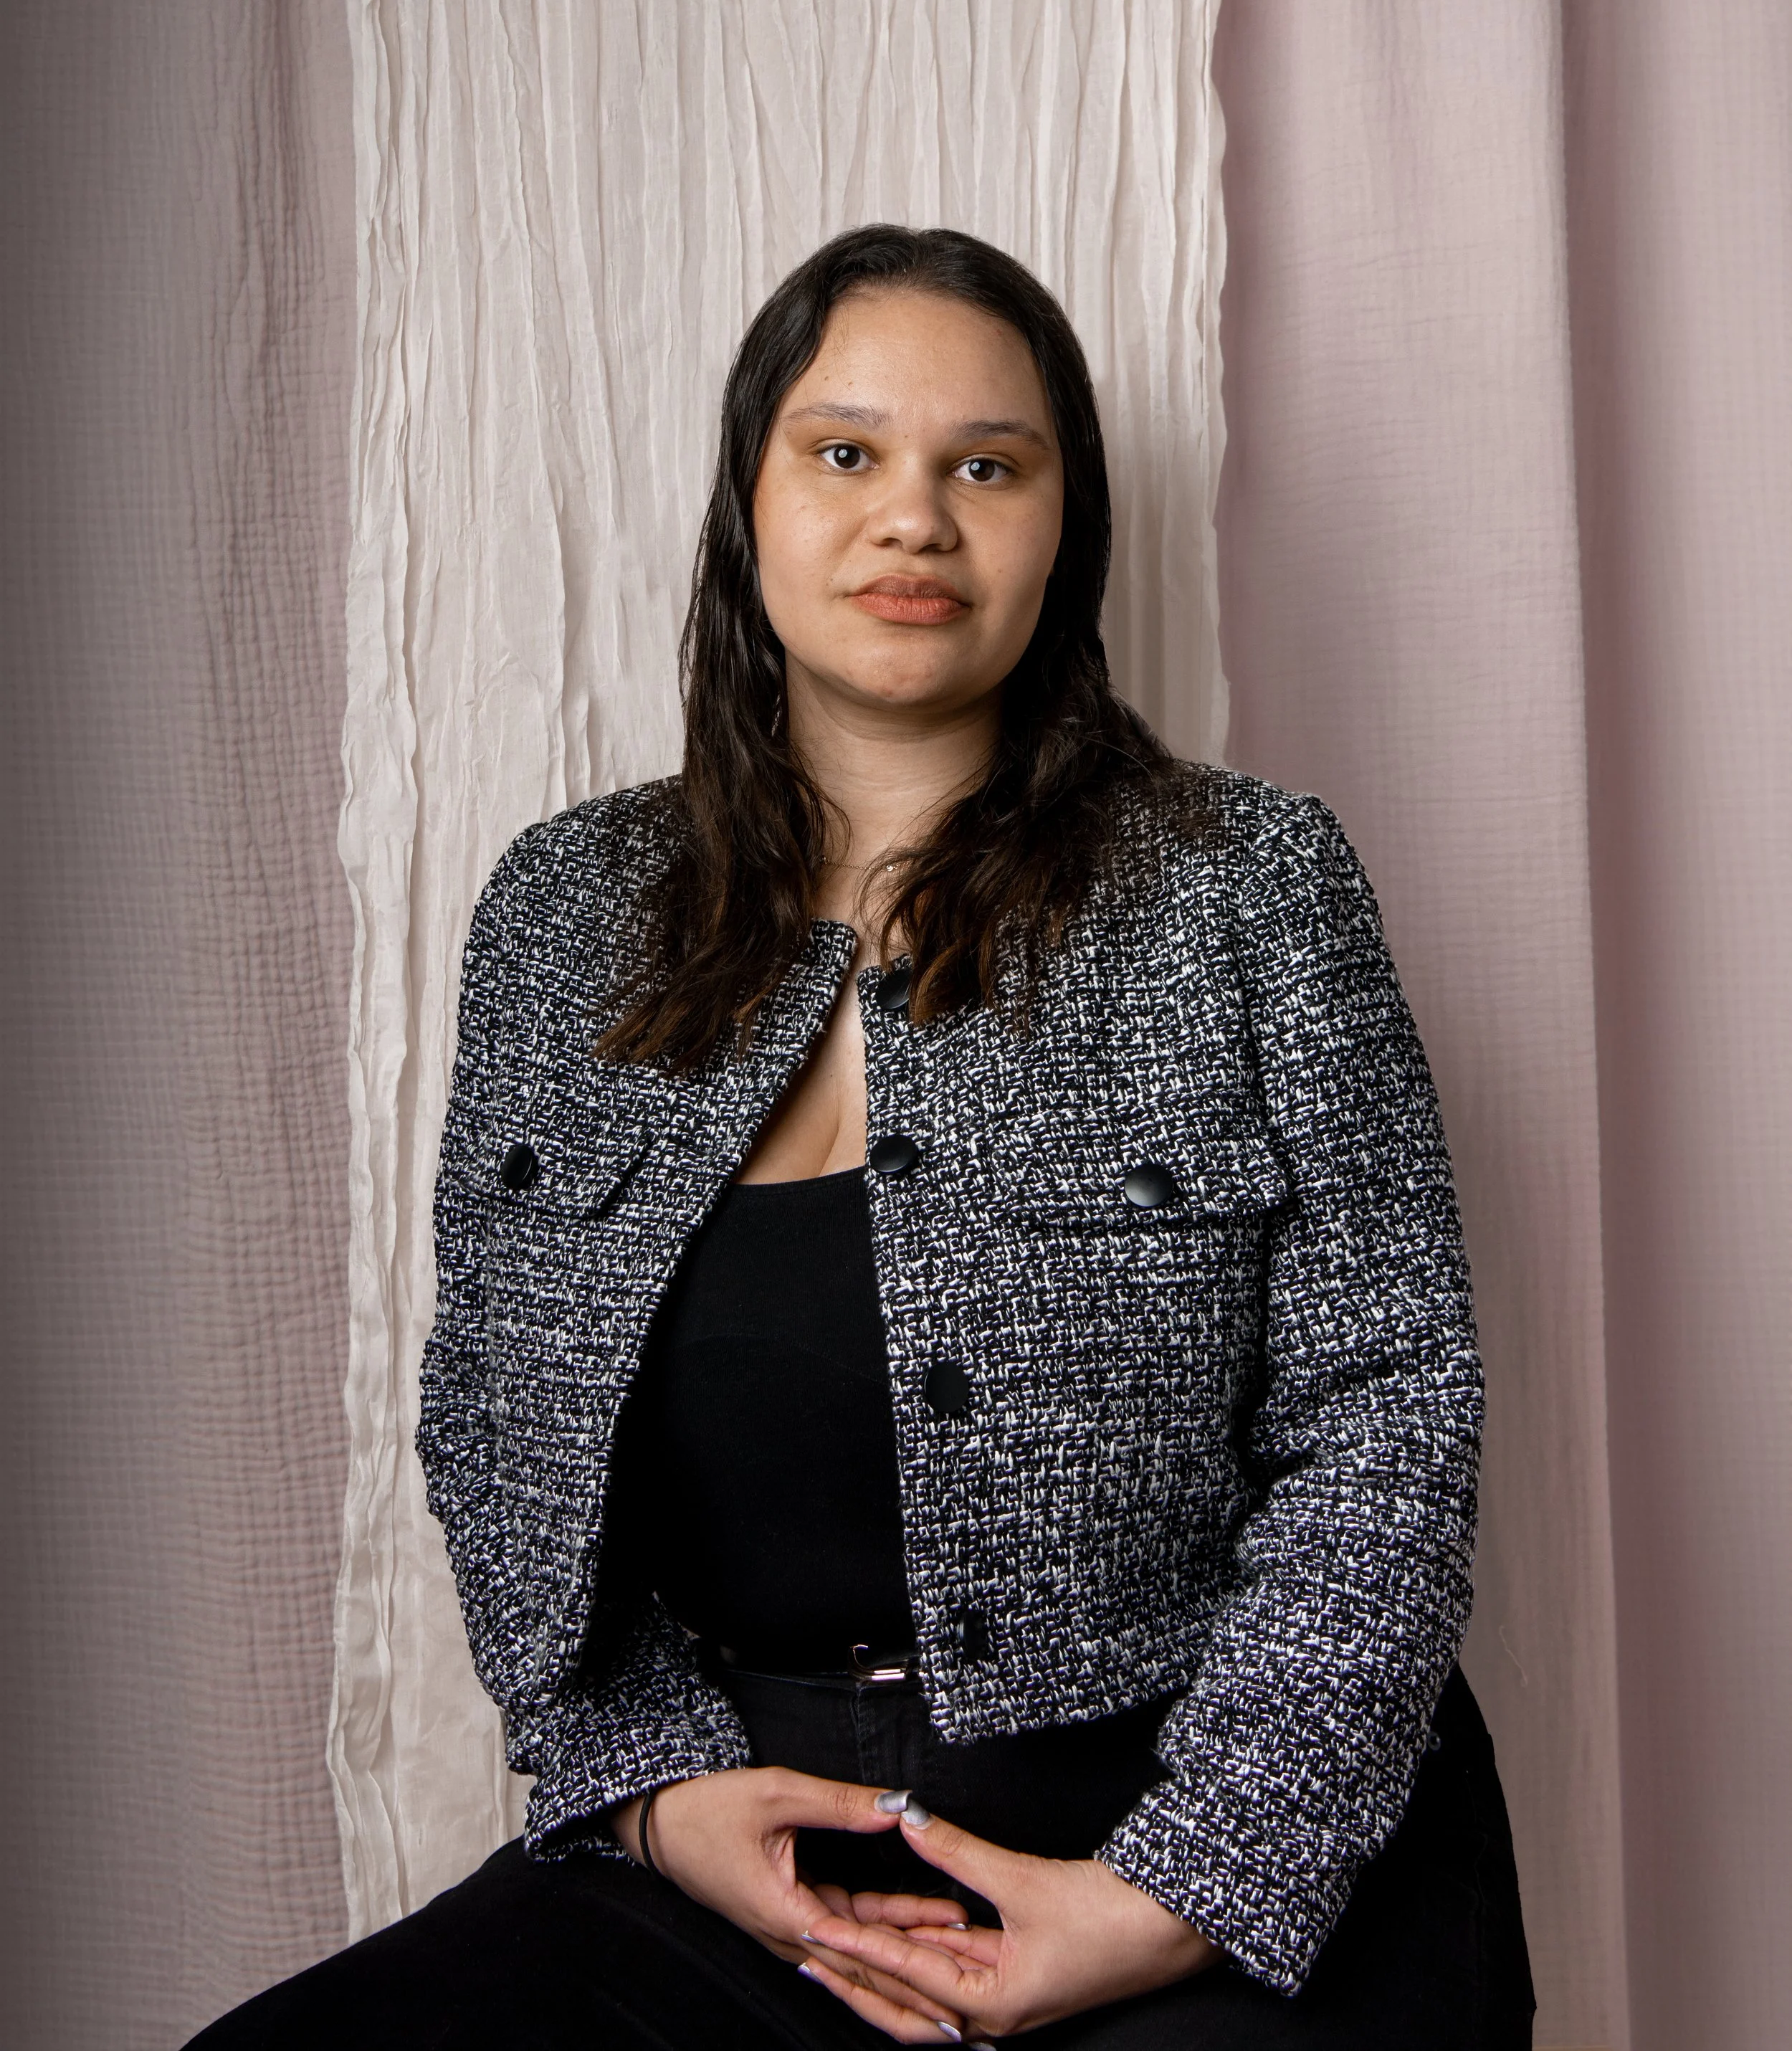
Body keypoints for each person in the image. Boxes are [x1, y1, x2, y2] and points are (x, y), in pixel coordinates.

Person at [191, 226, 1533, 2048]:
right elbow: (494, 1415)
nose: (915, 517)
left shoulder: (1247, 888)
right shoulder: (566, 910)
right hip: (754, 1852)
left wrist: (1182, 1886)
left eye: (986, 464)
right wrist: (654, 1794)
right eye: (845, 454)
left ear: (1063, 529)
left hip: (1202, 1833)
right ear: (749, 502)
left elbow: (1392, 1406)